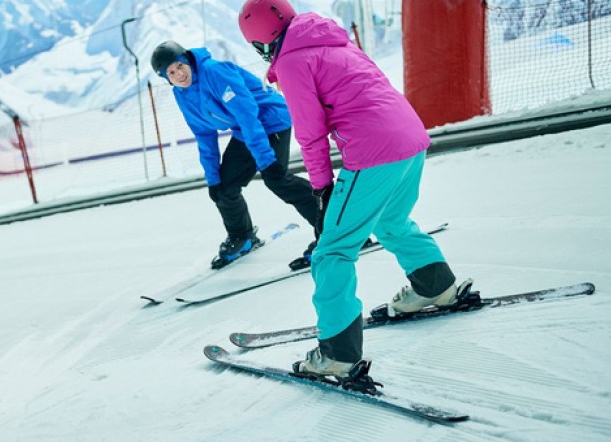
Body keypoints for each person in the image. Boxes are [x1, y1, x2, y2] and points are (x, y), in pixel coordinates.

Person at [238, 0, 468, 387]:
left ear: (260, 41)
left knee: (332, 251)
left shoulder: (293, 61)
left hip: (374, 152)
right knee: (392, 221)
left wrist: (322, 189)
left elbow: (310, 134)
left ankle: (337, 355)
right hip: (410, 138)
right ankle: (437, 286)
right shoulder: (335, 40)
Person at [150, 40, 324, 269]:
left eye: (179, 66)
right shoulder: (182, 95)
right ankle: (242, 237)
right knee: (224, 187)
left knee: (276, 179)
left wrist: (265, 160)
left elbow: (247, 114)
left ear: (188, 61)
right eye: (171, 73)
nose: (178, 74)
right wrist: (212, 179)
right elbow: (204, 135)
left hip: (271, 120)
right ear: (166, 79)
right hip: (246, 130)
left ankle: (332, 231)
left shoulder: (214, 72)